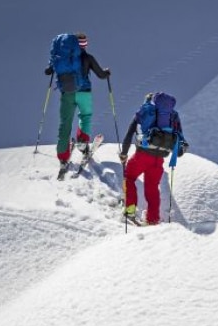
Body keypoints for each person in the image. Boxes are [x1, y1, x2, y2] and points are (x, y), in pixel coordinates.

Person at [119, 92, 187, 226]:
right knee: (152, 187)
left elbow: (128, 135)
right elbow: (179, 140)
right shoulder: (172, 115)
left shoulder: (144, 111)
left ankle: (130, 209)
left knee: (130, 177)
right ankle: (153, 219)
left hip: (142, 155)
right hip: (159, 159)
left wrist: (124, 154)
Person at [45, 32, 110, 166]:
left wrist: (50, 70)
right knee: (85, 116)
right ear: (84, 44)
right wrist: (106, 72)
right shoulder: (87, 57)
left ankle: (63, 155)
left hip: (66, 94)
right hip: (84, 93)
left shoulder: (61, 58)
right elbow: (101, 75)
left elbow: (49, 70)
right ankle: (82, 141)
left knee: (65, 123)